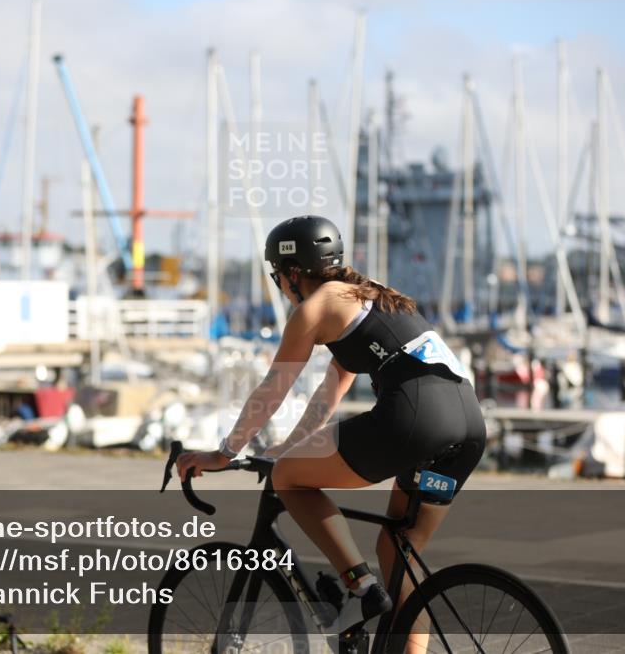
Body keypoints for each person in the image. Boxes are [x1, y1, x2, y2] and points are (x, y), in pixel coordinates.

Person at [177, 215, 487, 648]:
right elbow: (333, 387)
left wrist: (225, 452)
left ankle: (360, 590)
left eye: (276, 275)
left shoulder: (314, 308)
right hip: (468, 424)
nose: (280, 286)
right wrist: (291, 446)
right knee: (398, 553)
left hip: (415, 417)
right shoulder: (370, 294)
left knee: (287, 478)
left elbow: (275, 386)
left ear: (293, 273)